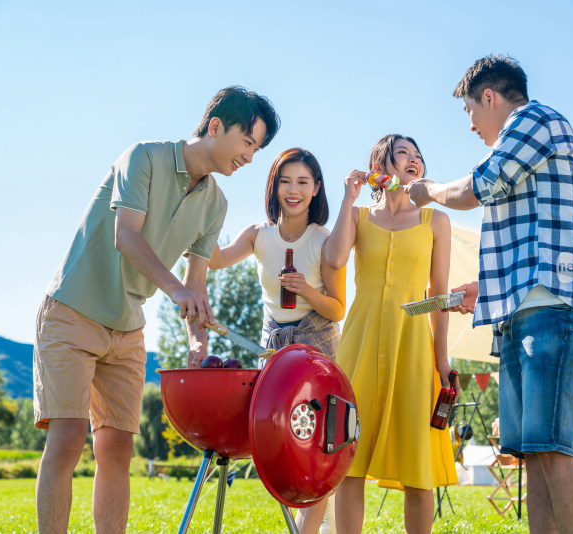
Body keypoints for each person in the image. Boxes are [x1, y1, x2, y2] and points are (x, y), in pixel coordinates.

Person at [34, 86, 279, 534]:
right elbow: (125, 237)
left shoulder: (216, 204)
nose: (249, 157)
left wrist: (197, 343)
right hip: (73, 310)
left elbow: (196, 285)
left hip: (127, 328)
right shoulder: (143, 158)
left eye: (257, 149)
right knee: (68, 439)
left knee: (118, 450)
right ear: (216, 126)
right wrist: (175, 293)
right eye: (248, 142)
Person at [405, 55, 573, 534]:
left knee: (554, 449)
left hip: (554, 307)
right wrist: (485, 287)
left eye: (470, 111)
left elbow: (483, 186)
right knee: (533, 456)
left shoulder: (533, 119)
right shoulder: (522, 142)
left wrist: (428, 190)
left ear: (489, 97)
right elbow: (530, 229)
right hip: (523, 310)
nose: (471, 124)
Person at [326, 135, 459, 534]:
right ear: (380, 165)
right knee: (350, 458)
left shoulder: (436, 221)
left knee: (417, 466)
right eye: (404, 153)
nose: (414, 160)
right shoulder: (359, 216)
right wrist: (348, 200)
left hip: (414, 349)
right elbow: (334, 259)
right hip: (359, 347)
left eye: (418, 155)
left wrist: (441, 359)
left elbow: (439, 296)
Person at [209, 147, 344, 534]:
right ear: (274, 186)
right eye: (286, 181)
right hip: (273, 347)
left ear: (316, 188)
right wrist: (192, 225)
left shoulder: (325, 239)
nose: (293, 190)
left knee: (317, 444)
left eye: (303, 181)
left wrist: (307, 291)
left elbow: (337, 309)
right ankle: (311, 522)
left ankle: (308, 527)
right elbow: (215, 258)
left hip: (318, 346)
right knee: (281, 442)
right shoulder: (258, 236)